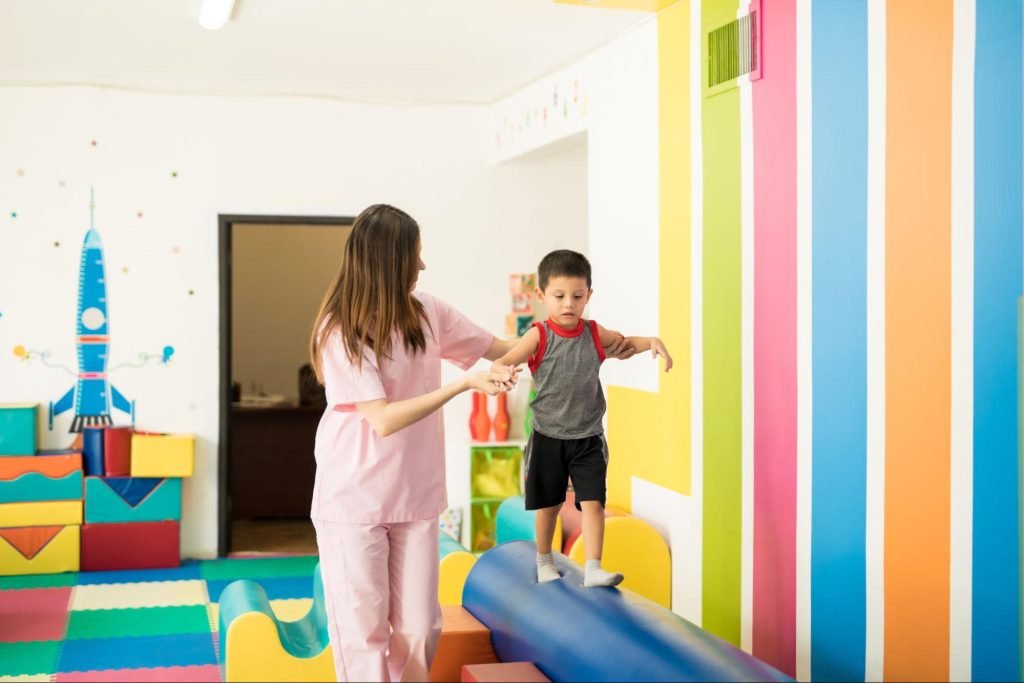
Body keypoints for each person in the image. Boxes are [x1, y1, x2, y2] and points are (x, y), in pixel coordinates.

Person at [308, 207, 634, 682]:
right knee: (364, 634)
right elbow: (381, 419)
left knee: (420, 628)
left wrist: (590, 338)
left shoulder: (428, 312)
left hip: (414, 494)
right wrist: (463, 386)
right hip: (353, 498)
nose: (422, 266)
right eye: (414, 256)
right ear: (387, 260)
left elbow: (504, 349)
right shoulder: (340, 330)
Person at [491, 249, 672, 588]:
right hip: (548, 436)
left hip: (587, 437)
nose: (569, 304)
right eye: (559, 297)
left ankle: (593, 567)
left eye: (578, 296)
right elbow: (511, 356)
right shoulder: (539, 335)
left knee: (593, 502)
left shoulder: (593, 332)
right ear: (542, 295)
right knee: (549, 504)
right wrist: (499, 370)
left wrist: (652, 342)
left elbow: (624, 346)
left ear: (589, 294)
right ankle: (544, 559)